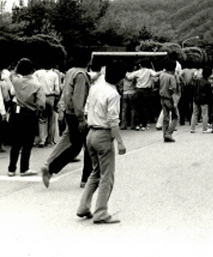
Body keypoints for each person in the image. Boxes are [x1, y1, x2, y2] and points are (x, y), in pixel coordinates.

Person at [76, 61, 127, 224]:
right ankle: (101, 212)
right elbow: (113, 121)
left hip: (91, 133)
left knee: (95, 173)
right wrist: (119, 142)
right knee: (107, 176)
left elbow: (86, 108)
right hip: (104, 135)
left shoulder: (95, 87)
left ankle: (83, 206)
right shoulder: (113, 94)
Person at [41, 52, 91, 188]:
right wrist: (81, 118)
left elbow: (66, 92)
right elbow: (78, 97)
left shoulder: (71, 72)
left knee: (76, 146)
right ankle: (85, 178)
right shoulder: (81, 75)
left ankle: (52, 168)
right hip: (77, 114)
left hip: (69, 112)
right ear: (89, 60)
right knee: (85, 147)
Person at [8, 58, 46, 177]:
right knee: (27, 143)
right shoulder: (37, 85)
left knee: (16, 143)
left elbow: (12, 74)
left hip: (17, 113)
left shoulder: (16, 82)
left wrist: (17, 67)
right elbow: (41, 104)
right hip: (30, 114)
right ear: (32, 70)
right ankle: (24, 168)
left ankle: (11, 168)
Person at [126, 59, 158, 131]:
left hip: (138, 90)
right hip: (147, 91)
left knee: (137, 108)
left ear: (140, 65)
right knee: (146, 108)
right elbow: (156, 75)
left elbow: (129, 77)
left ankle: (137, 124)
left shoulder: (138, 72)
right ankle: (144, 124)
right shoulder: (149, 71)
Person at [34, 64, 61, 147]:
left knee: (42, 119)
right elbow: (57, 90)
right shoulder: (54, 75)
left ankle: (42, 140)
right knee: (51, 119)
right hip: (50, 97)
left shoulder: (37, 73)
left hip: (40, 97)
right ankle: (50, 140)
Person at [158, 59, 179, 142]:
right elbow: (172, 90)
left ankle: (165, 135)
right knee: (176, 116)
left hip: (162, 97)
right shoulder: (171, 77)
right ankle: (168, 133)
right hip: (169, 99)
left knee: (165, 117)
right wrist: (175, 102)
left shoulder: (162, 75)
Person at [190, 66, 213, 134]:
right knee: (205, 114)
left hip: (196, 98)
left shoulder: (197, 80)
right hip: (204, 100)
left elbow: (193, 88)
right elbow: (209, 93)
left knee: (194, 113)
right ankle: (204, 129)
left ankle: (192, 128)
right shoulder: (208, 83)